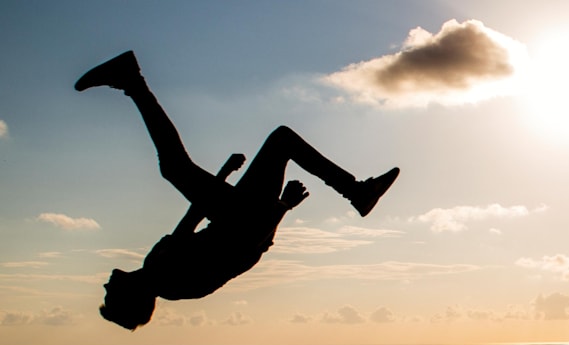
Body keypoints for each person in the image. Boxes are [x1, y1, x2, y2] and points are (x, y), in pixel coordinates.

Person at [74, 51, 399, 330]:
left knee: (266, 143)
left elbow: (194, 215)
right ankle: (132, 81)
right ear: (128, 297)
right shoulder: (174, 282)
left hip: (233, 212)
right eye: (108, 294)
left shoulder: (154, 266)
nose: (104, 285)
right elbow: (243, 256)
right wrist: (280, 209)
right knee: (178, 166)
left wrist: (224, 175)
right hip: (247, 220)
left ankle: (356, 192)